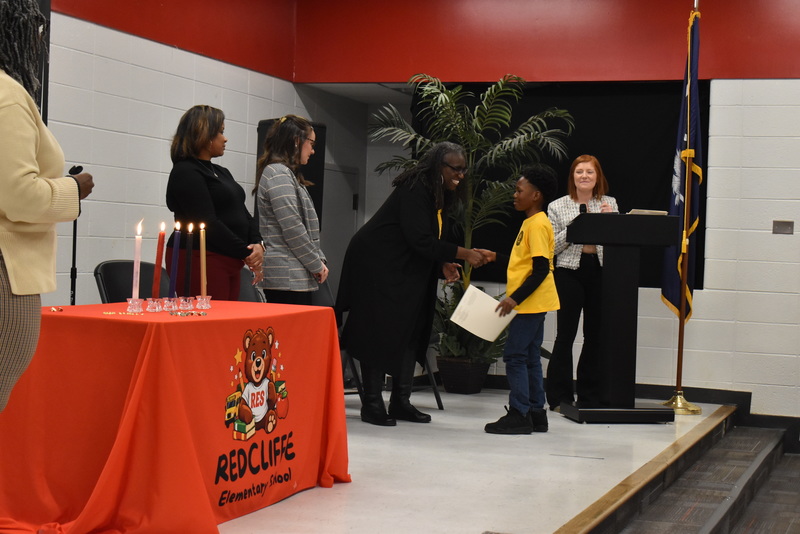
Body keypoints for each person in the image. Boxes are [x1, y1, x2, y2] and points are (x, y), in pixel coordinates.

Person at [336, 141, 485, 426]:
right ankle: (372, 403)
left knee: (412, 328)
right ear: (438, 166)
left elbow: (421, 240)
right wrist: (464, 254)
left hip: (403, 267)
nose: (461, 175)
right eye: (456, 169)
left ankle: (400, 402)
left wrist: (442, 262)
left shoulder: (437, 193)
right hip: (377, 265)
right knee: (379, 332)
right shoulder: (416, 188)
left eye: (464, 170)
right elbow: (419, 239)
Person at [0, 0, 95, 412]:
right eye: (37, 33)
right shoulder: (7, 95)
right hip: (7, 275)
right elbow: (18, 195)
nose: (41, 44)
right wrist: (72, 189)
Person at [477, 164, 560, 434]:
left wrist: (514, 298)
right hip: (536, 302)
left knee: (514, 355)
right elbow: (523, 263)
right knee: (531, 357)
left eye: (519, 190)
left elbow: (539, 270)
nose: (514, 194)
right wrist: (495, 256)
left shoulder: (536, 225)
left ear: (535, 195)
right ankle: (537, 413)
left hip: (530, 303)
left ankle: (519, 413)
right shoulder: (533, 222)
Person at [166, 105, 263, 300]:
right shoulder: (186, 171)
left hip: (230, 257)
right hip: (201, 257)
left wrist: (257, 244)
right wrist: (246, 253)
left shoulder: (222, 172)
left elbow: (244, 213)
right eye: (220, 132)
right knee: (210, 322)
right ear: (204, 134)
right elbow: (207, 222)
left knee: (227, 320)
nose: (225, 138)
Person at [546, 154, 618, 410]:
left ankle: (590, 395)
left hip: (599, 271)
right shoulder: (557, 206)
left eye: (589, 172)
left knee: (595, 336)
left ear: (598, 177)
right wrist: (577, 226)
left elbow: (617, 243)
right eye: (579, 172)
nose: (584, 176)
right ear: (572, 177)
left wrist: (612, 222)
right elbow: (552, 245)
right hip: (568, 272)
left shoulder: (609, 203)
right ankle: (559, 397)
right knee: (565, 335)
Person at [254, 115, 327, 305]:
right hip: (285, 279)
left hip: (294, 277)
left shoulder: (286, 174)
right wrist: (315, 263)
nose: (312, 150)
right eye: (311, 143)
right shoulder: (277, 173)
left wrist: (319, 259)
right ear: (296, 141)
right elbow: (292, 227)